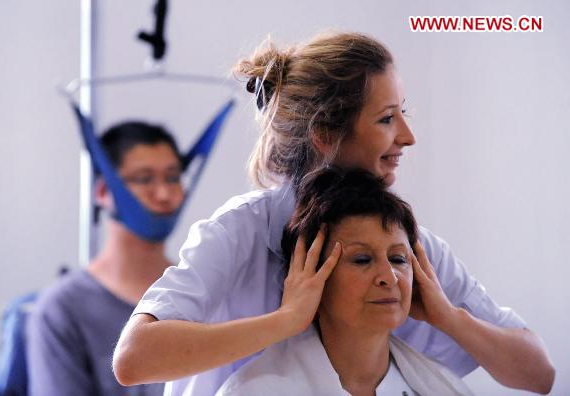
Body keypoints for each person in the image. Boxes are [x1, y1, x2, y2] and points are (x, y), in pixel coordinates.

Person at [113, 31, 554, 395]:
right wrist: (286, 322)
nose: (408, 136)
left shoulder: (412, 250)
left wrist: (448, 317)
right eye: (386, 119)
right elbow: (135, 359)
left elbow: (538, 375)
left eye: (404, 113)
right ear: (324, 133)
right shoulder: (238, 233)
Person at [216, 167, 474, 395]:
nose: (388, 276)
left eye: (398, 259)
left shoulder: (443, 388)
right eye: (362, 259)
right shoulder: (254, 391)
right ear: (313, 278)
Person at [26, 121, 184, 396]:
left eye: (172, 178)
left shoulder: (201, 292)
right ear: (102, 192)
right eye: (144, 179)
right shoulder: (61, 311)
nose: (163, 194)